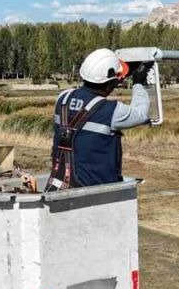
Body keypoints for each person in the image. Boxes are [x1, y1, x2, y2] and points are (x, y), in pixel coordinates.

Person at [46, 48, 152, 190]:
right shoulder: (111, 111)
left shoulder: (63, 98)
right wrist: (138, 83)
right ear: (110, 83)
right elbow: (141, 114)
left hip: (61, 184)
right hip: (94, 191)